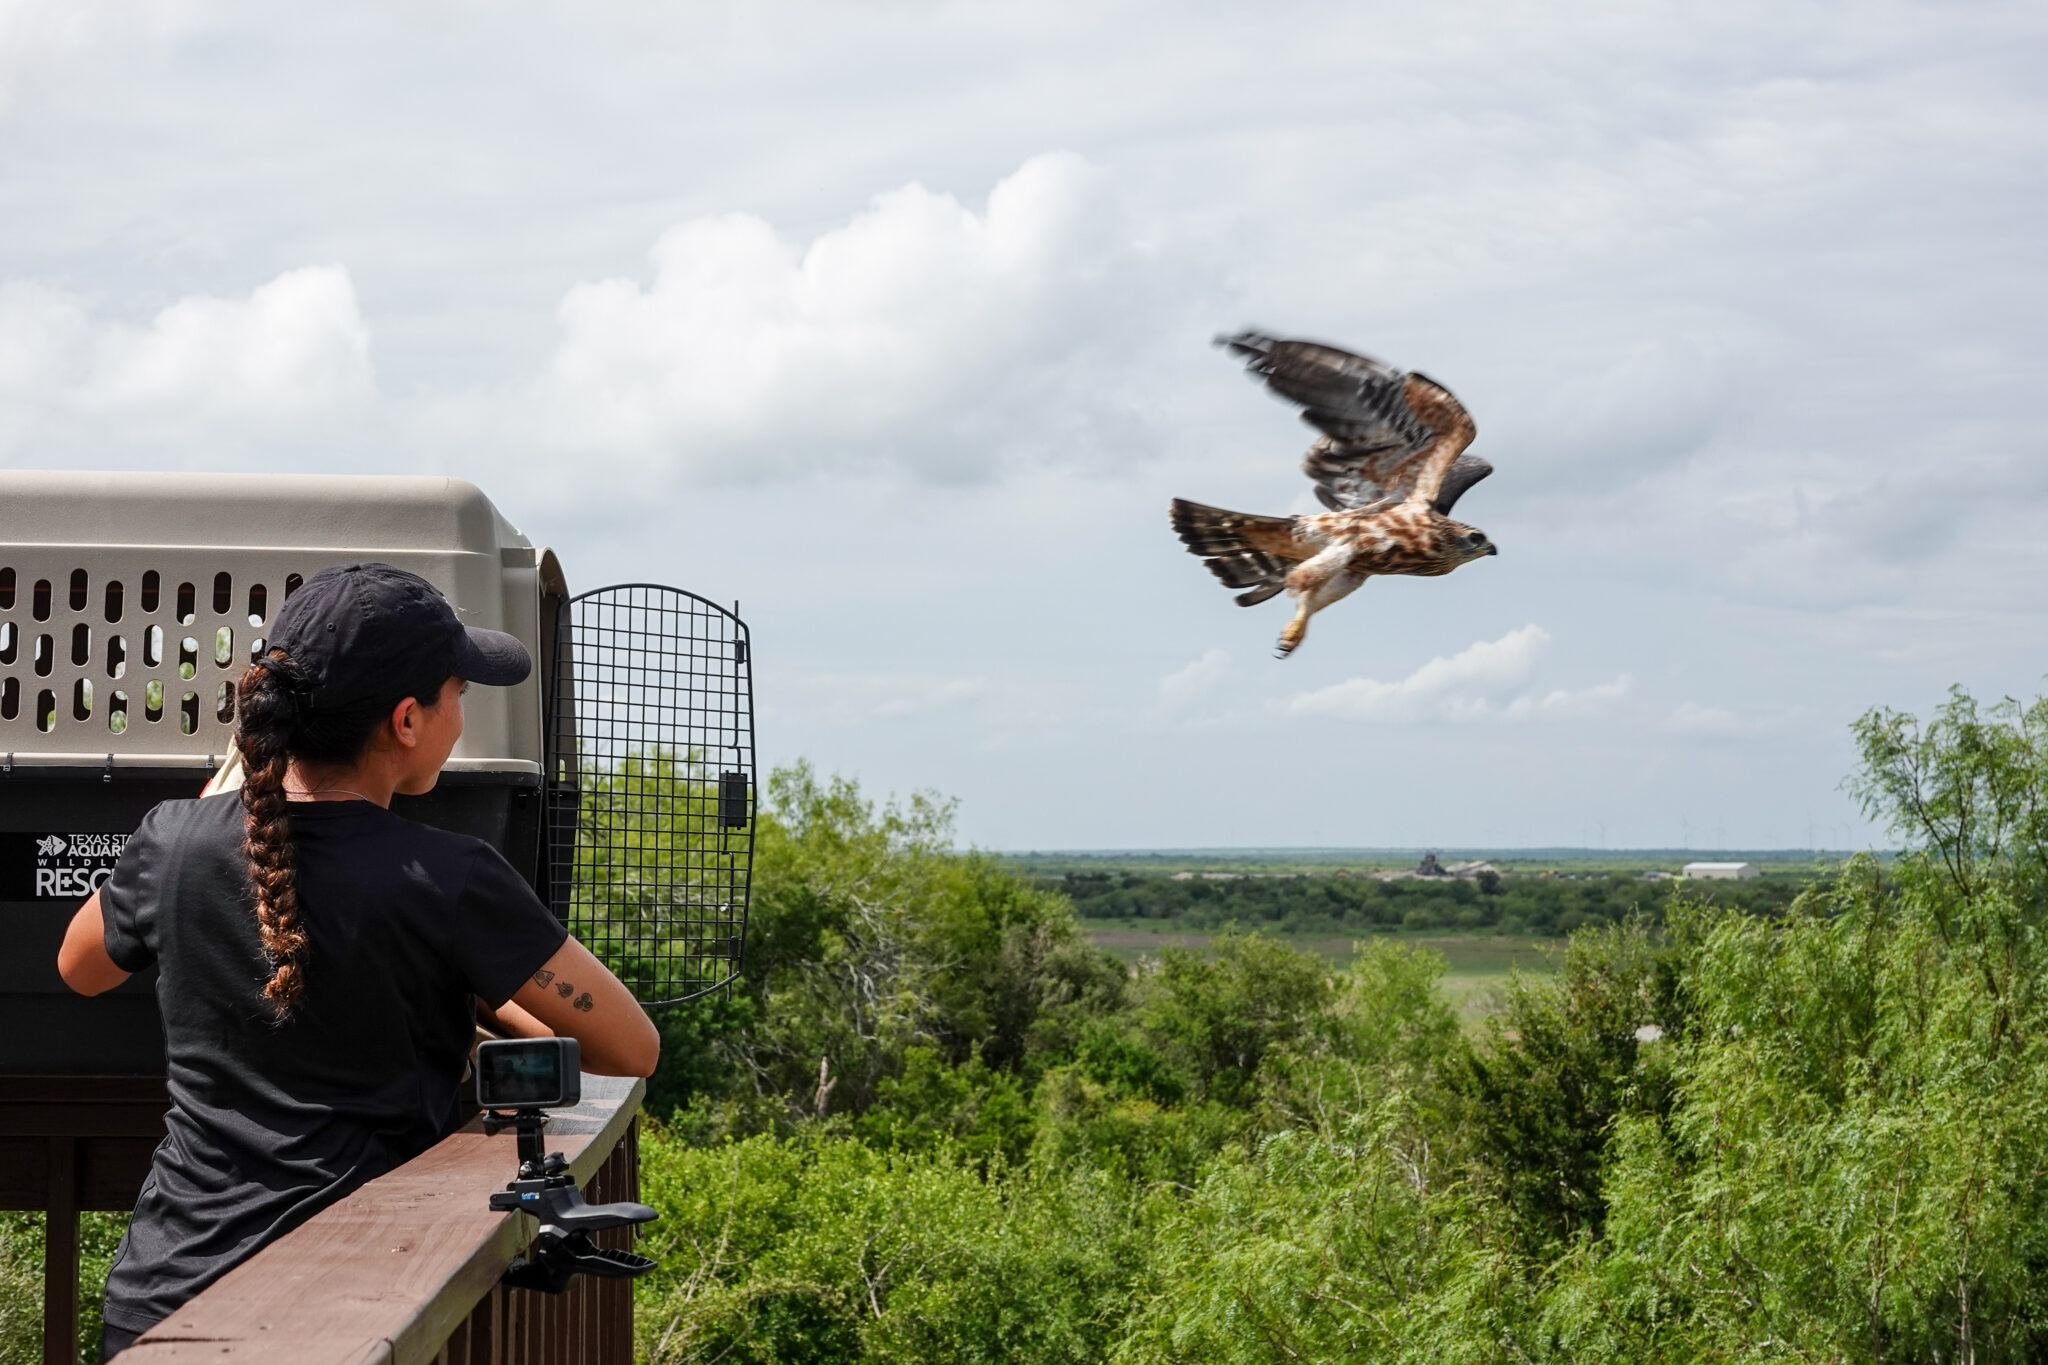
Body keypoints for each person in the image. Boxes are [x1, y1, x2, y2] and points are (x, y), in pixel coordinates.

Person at [54, 563, 659, 1360]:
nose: (462, 714)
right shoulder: (451, 877)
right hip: (343, 1304)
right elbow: (632, 1045)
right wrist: (477, 988)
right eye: (458, 693)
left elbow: (82, 966)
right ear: (406, 720)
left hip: (164, 1303)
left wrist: (214, 803)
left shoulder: (176, 838)